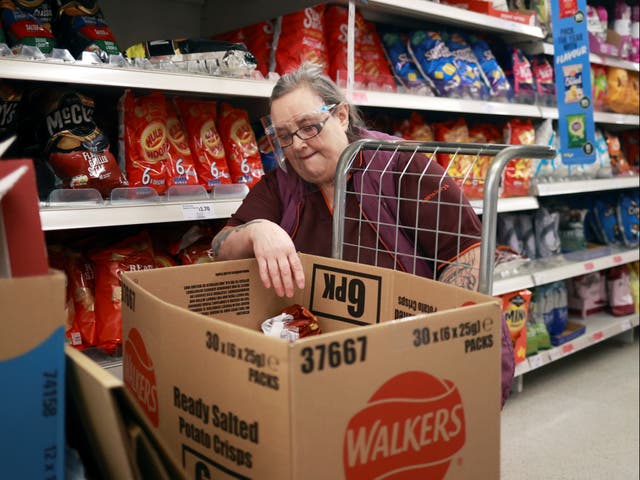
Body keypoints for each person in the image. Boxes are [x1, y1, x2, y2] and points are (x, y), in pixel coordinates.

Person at [211, 62, 514, 405]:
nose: (297, 145)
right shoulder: (282, 185)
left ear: (341, 115)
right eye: (283, 136)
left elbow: (464, 254)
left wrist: (440, 345)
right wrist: (257, 230)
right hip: (333, 367)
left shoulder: (398, 164)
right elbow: (221, 247)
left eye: (309, 127)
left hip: (419, 358)